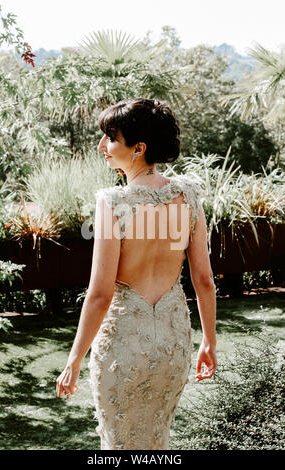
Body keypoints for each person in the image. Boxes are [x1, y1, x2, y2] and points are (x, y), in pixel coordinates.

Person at [56, 98, 217, 450]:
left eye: (110, 138)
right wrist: (209, 342)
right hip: (174, 346)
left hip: (124, 347)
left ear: (138, 148)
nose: (102, 147)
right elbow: (203, 280)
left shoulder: (113, 203)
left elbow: (100, 295)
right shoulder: (188, 197)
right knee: (156, 441)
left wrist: (73, 360)